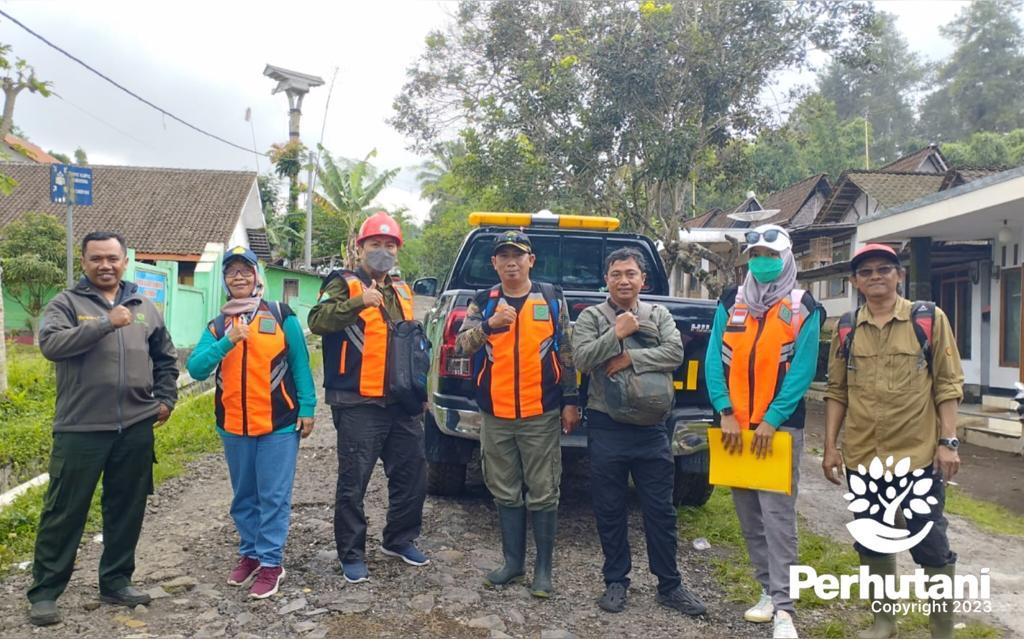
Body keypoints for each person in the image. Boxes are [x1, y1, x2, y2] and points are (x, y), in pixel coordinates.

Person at [28, 231, 179, 626]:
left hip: (135, 426)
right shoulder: (66, 303)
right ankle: (44, 593)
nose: (105, 265)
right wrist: (105, 324)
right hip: (81, 427)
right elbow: (51, 345)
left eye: (112, 258)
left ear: (125, 261)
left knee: (127, 508)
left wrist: (166, 398)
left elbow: (165, 357)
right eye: (96, 258)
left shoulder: (144, 306)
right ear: (84, 262)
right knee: (64, 511)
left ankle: (116, 581)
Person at [823, 243, 964, 639]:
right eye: (866, 272)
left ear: (899, 275)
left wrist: (948, 442)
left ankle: (942, 630)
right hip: (863, 457)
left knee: (931, 542)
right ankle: (883, 622)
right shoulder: (847, 327)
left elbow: (948, 384)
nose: (875, 277)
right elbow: (837, 391)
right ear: (855, 282)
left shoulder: (928, 319)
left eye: (884, 269)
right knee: (872, 540)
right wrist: (831, 447)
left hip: (918, 455)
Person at [572, 247, 706, 617]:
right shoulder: (592, 317)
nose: (623, 280)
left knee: (661, 511)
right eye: (616, 274)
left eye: (630, 273)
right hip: (607, 425)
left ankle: (670, 585)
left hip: (651, 429)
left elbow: (674, 354)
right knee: (610, 508)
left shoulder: (658, 314)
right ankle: (616, 581)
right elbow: (582, 358)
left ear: (643, 280)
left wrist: (631, 356)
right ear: (606, 279)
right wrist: (615, 334)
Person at [703, 224, 822, 639]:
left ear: (786, 259)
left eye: (771, 256)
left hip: (779, 429)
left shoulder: (804, 306)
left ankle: (785, 608)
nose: (762, 262)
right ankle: (767, 590)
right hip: (735, 428)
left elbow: (803, 370)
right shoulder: (730, 301)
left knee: (778, 518)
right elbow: (714, 361)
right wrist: (724, 411)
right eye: (756, 255)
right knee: (749, 516)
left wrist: (772, 419)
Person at [186, 246, 316, 599]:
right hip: (234, 426)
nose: (239, 276)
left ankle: (272, 562)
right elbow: (196, 368)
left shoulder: (281, 315)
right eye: (231, 271)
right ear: (225, 281)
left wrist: (307, 407)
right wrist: (228, 341)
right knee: (244, 496)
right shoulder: (218, 325)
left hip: (279, 424)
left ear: (257, 276)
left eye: (246, 270)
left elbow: (300, 364)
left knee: (273, 496)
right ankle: (251, 553)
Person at [455, 230, 580, 598]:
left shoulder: (551, 298)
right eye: (504, 256)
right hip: (496, 413)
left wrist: (571, 400)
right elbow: (461, 345)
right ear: (494, 263)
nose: (512, 262)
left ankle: (543, 571)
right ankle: (513, 564)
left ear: (531, 260)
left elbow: (567, 351)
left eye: (518, 255)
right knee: (504, 490)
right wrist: (489, 325)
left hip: (540, 412)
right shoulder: (484, 301)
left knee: (544, 491)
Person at [308, 211, 428, 584]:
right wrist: (359, 302)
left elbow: (412, 346)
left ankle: (399, 539)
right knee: (353, 482)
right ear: (360, 248)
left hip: (401, 401)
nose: (383, 251)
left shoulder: (402, 290)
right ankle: (352, 554)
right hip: (358, 401)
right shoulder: (342, 284)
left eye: (389, 245)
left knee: (412, 474)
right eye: (375, 244)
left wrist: (420, 392)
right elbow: (317, 321)